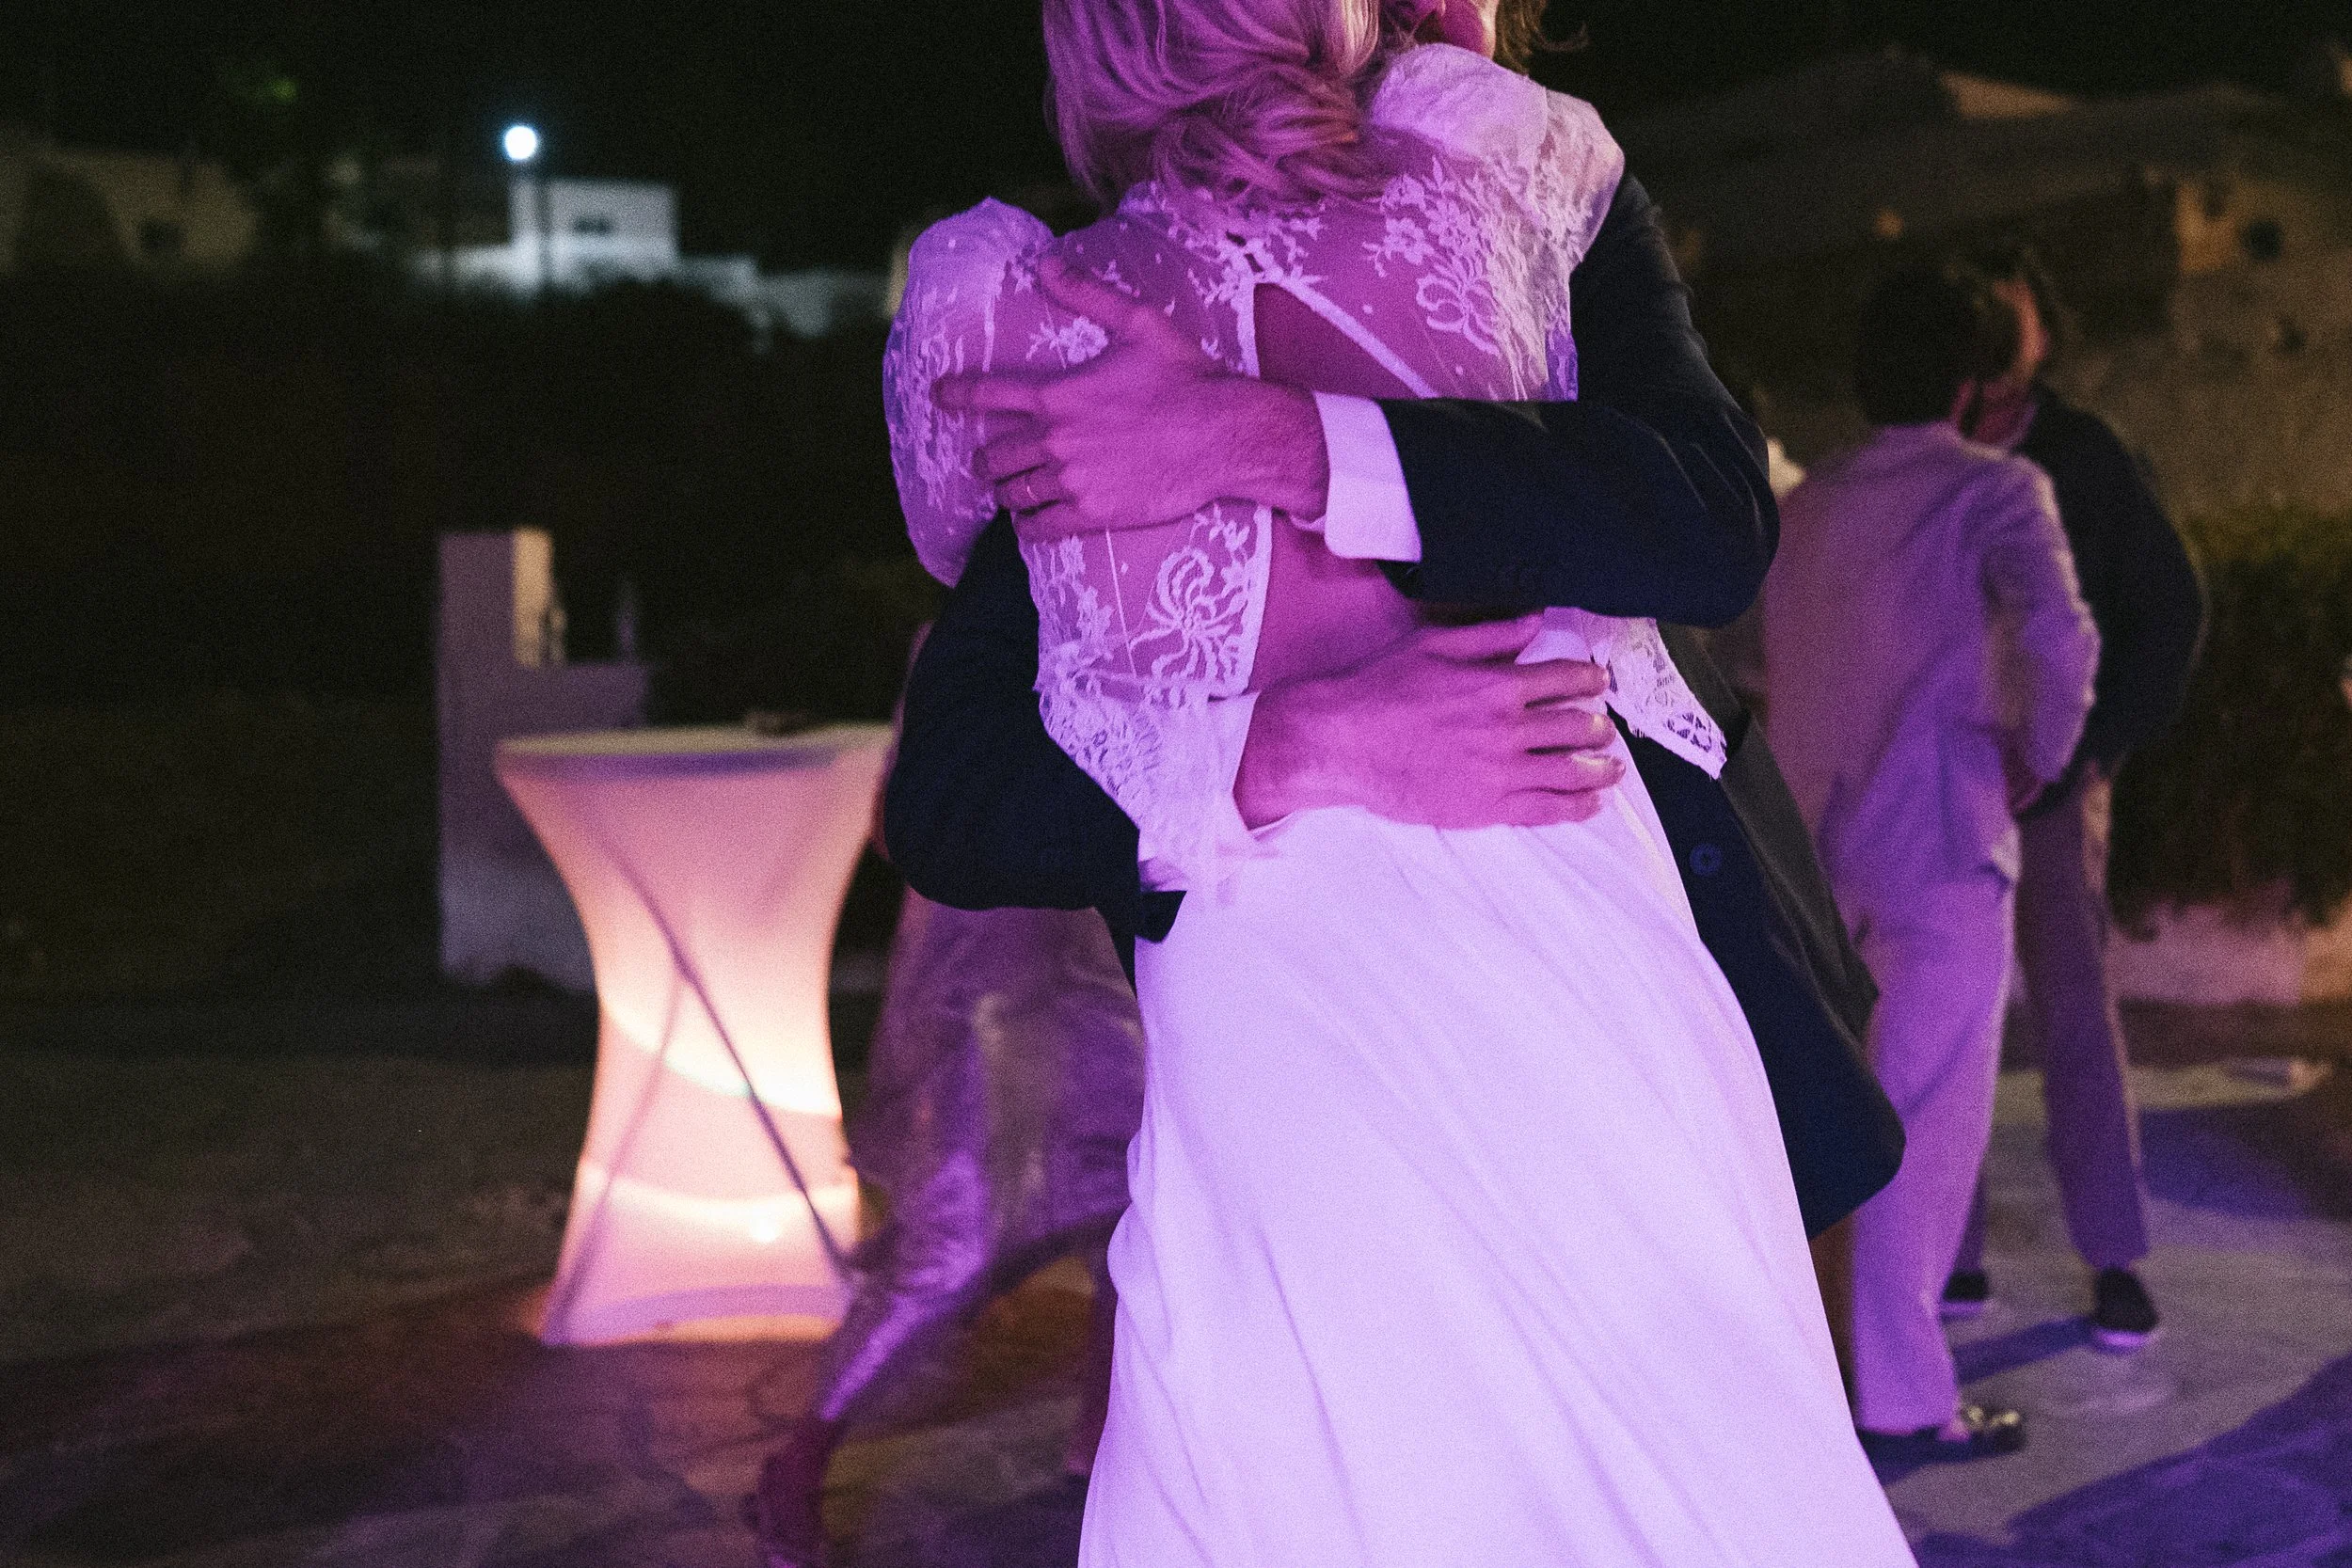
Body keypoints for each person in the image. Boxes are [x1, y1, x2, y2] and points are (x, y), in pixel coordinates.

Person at [883, 0, 1914, 1560]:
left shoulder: (1531, 188)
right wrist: (1299, 747)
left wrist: (1274, 440)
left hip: (1594, 968)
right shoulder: (1065, 317)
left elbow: (1707, 525)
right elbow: (954, 787)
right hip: (1332, 1024)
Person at [1762, 259, 2100, 1462]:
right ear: (1968, 381)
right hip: (1946, 843)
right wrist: (2039, 756)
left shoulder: (1807, 505)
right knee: (1922, 1124)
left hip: (1806, 852)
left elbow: (1764, 662)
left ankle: (1807, 1374)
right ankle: (1903, 1397)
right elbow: (2065, 638)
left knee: (1813, 1127)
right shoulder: (1997, 490)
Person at [1940, 240, 2208, 1351]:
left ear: (2044, 331)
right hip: (1946, 785)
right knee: (1941, 1020)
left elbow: (2169, 606)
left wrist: (2090, 748)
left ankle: (2113, 1257)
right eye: (1979, 326)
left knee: (2073, 1015)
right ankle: (1949, 1254)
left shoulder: (2083, 455)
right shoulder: (1929, 448)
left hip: (2051, 784)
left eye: (2015, 323)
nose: (2000, 350)